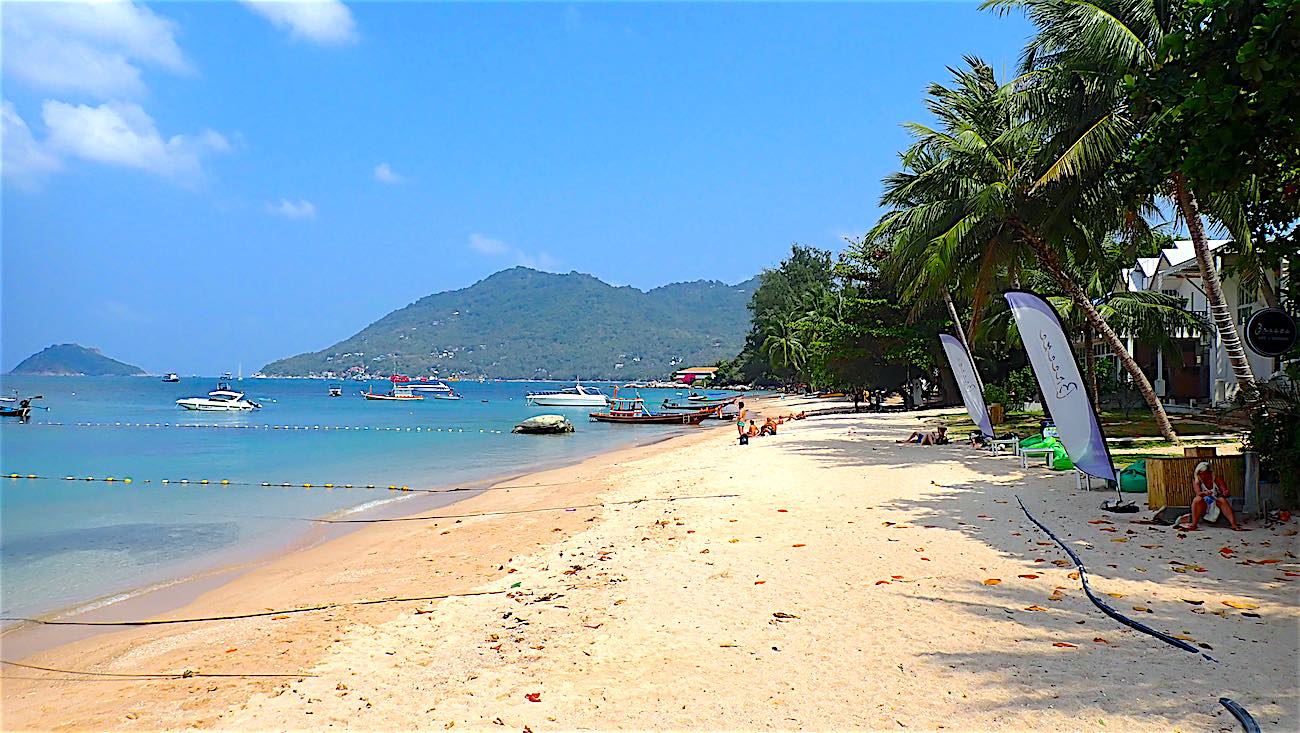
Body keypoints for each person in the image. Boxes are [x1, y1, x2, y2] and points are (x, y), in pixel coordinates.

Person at [1181, 462, 1244, 531]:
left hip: (1216, 501)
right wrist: (1205, 493)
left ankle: (1233, 525)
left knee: (1222, 500)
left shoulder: (1217, 479)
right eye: (1202, 474)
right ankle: (1194, 524)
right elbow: (1198, 493)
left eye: (1206, 474)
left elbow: (1224, 491)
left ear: (1210, 472)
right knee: (1197, 500)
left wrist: (1225, 492)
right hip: (1204, 503)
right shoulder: (1196, 480)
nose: (1204, 476)